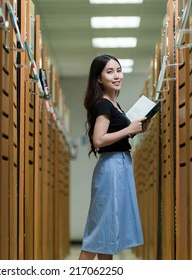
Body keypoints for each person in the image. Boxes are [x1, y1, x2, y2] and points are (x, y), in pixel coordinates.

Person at [79, 54, 146, 260]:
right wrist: (128, 130)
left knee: (107, 233)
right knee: (99, 231)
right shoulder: (103, 104)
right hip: (112, 167)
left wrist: (134, 129)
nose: (117, 75)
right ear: (99, 78)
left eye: (118, 70)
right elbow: (98, 140)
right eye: (110, 72)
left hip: (120, 164)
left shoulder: (114, 104)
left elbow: (114, 135)